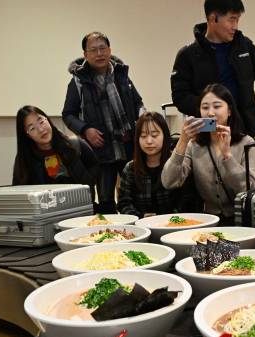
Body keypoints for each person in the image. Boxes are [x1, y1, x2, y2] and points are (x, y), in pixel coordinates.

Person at [171, 0, 255, 138]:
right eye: (232, 20)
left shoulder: (243, 45)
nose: (236, 27)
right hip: (207, 135)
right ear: (213, 19)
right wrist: (210, 108)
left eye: (238, 20)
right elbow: (180, 97)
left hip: (243, 130)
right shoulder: (188, 55)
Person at [62, 31, 145, 214]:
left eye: (102, 48)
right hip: (101, 149)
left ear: (109, 50)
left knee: (135, 192)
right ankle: (110, 234)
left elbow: (138, 102)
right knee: (106, 198)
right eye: (93, 50)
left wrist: (142, 117)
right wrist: (85, 130)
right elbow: (68, 114)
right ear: (85, 54)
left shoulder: (122, 76)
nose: (99, 54)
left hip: (129, 145)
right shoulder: (78, 81)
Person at [162, 84, 255, 226]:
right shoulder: (194, 145)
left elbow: (248, 190)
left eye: (217, 106)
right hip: (208, 221)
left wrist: (227, 156)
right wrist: (182, 142)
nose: (211, 113)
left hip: (241, 220)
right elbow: (169, 181)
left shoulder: (247, 143)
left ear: (230, 110)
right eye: (205, 107)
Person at [117, 112, 200, 217]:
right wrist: (141, 217)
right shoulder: (130, 169)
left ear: (165, 136)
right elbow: (124, 202)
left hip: (177, 226)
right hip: (142, 227)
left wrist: (164, 220)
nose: (149, 141)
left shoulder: (178, 163)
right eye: (143, 136)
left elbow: (190, 200)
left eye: (154, 135)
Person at [13, 105, 99, 202]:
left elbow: (94, 163)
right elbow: (19, 191)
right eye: (32, 128)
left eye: (41, 122)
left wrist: (88, 183)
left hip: (82, 207)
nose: (41, 130)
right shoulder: (25, 159)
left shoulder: (73, 144)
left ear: (48, 120)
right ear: (26, 135)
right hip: (48, 214)